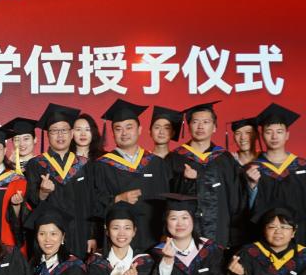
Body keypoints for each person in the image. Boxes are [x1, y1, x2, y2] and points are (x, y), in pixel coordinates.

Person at [245, 103, 306, 250]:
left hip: (301, 234)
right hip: (266, 238)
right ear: (262, 135)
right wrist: (252, 185)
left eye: (279, 131)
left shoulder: (303, 167)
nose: (274, 136)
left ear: (287, 135)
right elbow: (245, 209)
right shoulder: (253, 169)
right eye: (269, 132)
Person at [94, 98, 171, 253]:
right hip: (119, 241)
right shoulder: (102, 165)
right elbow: (94, 202)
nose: (124, 133)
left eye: (129, 127)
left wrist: (166, 232)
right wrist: (117, 199)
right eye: (118, 129)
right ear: (113, 133)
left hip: (154, 237)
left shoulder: (156, 163)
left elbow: (167, 202)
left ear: (140, 129)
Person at [165, 101, 245, 249]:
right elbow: (167, 198)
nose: (200, 126)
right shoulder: (175, 158)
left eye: (206, 122)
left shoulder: (225, 159)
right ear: (189, 126)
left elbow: (235, 199)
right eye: (195, 122)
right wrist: (185, 180)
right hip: (184, 234)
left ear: (214, 127)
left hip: (220, 232)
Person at [26, 104, 99, 259]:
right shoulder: (36, 164)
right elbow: (32, 201)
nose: (60, 135)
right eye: (54, 131)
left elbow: (92, 202)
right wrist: (43, 192)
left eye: (64, 130)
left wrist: (91, 235)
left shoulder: (84, 164)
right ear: (48, 135)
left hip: (80, 233)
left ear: (71, 133)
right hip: (50, 237)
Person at [228, 117, 259, 249]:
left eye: (248, 133)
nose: (243, 138)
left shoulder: (266, 161)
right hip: (235, 227)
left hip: (261, 224)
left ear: (257, 135)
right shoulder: (227, 162)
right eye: (238, 133)